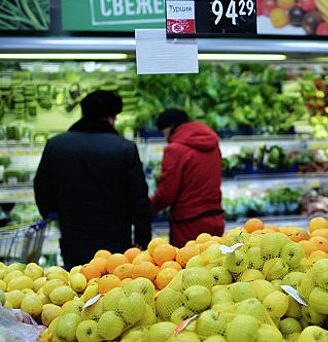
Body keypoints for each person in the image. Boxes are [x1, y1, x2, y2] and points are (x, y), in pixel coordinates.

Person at [34, 90, 152, 268]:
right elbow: (139, 197)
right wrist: (143, 239)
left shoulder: (57, 145)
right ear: (110, 117)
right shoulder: (124, 148)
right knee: (113, 286)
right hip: (116, 239)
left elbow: (41, 187)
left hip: (74, 235)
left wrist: (54, 213)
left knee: (77, 285)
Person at [151, 109, 224, 247]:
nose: (165, 138)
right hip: (215, 218)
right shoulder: (212, 143)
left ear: (170, 127)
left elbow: (167, 194)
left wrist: (149, 206)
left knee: (187, 266)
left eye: (163, 133)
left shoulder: (175, 149)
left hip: (188, 225)